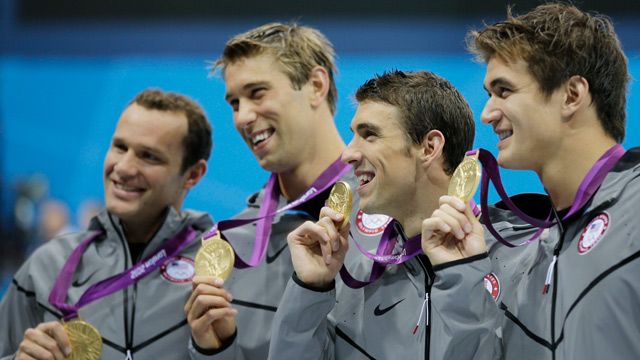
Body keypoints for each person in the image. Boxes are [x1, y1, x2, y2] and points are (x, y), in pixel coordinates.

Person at [421, 3, 639, 359]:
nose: (487, 113)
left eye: (504, 91)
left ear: (571, 95)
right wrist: (462, 275)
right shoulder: (529, 253)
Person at [186, 23, 386, 358]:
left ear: (316, 85)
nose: (243, 117)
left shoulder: (391, 212)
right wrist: (214, 351)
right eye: (235, 103)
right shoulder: (231, 248)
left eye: (258, 93)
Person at [267, 70, 476, 359]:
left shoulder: (506, 261)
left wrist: (466, 278)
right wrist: (310, 288)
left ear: (429, 147)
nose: (348, 154)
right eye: (354, 136)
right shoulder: (348, 266)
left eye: (370, 135)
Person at [0, 89, 218, 359]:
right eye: (120, 147)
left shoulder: (219, 272)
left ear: (193, 174)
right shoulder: (46, 265)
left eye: (149, 156)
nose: (124, 168)